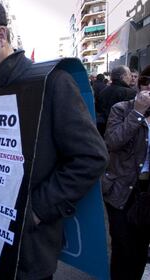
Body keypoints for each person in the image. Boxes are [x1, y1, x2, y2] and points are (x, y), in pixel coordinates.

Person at [0, 1, 108, 279]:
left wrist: (36, 210)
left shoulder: (52, 83)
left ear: (2, 35)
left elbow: (91, 156)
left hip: (28, 253)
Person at [102, 65, 150, 280]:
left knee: (141, 249)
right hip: (122, 190)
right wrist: (138, 113)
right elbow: (112, 141)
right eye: (145, 80)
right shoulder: (122, 109)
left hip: (147, 194)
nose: (148, 86)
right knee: (124, 248)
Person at [95, 65, 136, 135]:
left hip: (102, 131)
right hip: (120, 132)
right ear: (123, 76)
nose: (131, 78)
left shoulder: (103, 91)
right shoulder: (129, 93)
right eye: (130, 74)